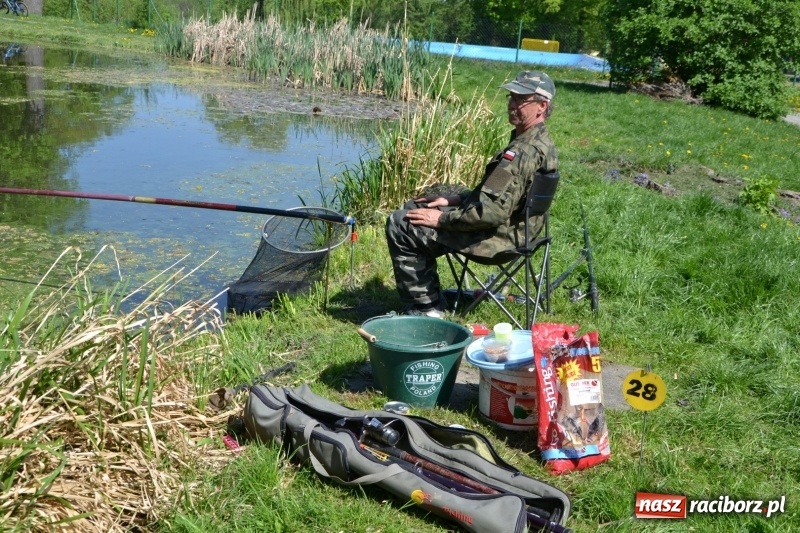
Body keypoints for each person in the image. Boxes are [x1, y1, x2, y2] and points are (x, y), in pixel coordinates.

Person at [385, 70, 559, 318]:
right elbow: (504, 196)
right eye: (511, 97)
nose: (511, 104)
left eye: (521, 100)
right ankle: (427, 292)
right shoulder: (543, 143)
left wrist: (442, 219)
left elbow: (490, 212)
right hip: (523, 232)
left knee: (400, 223)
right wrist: (456, 200)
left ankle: (427, 309)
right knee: (419, 203)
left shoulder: (520, 153)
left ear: (542, 105)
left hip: (498, 240)